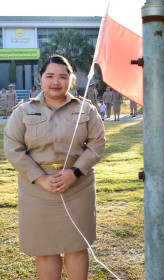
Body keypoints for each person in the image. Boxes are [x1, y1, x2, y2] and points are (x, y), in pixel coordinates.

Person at [4, 55, 105, 280]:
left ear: (71, 79)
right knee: (46, 247)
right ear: (40, 78)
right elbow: (13, 148)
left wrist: (75, 173)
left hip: (77, 187)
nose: (56, 81)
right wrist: (40, 179)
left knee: (77, 245)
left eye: (62, 76)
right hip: (37, 191)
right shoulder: (23, 111)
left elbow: (97, 144)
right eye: (49, 76)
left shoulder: (86, 110)